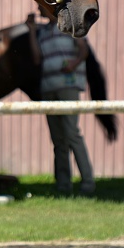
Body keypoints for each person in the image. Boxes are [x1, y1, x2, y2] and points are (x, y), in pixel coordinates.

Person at [27, 10, 96, 195]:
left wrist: (73, 64)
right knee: (58, 139)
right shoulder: (42, 32)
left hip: (68, 85)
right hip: (48, 87)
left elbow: (84, 49)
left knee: (71, 133)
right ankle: (63, 185)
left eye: (40, 6)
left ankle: (88, 182)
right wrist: (32, 31)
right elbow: (35, 58)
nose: (38, 9)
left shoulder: (68, 26)